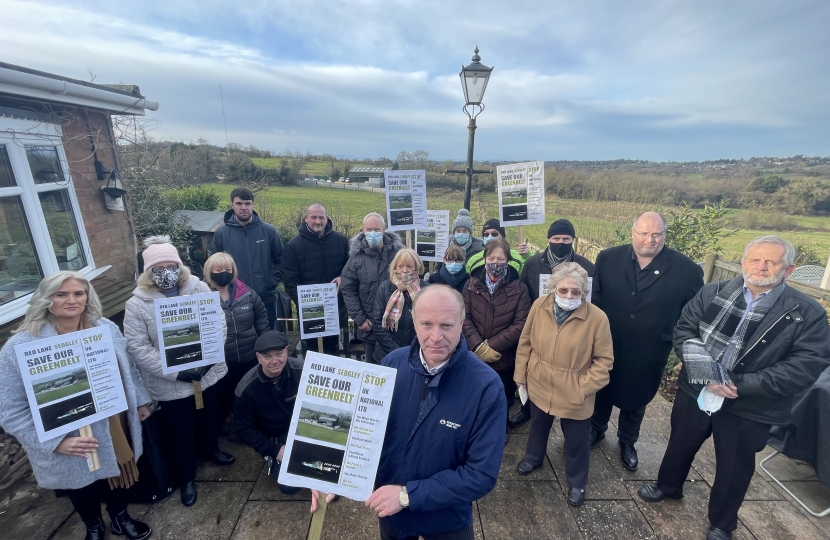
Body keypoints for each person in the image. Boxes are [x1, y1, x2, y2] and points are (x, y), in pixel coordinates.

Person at [638, 236, 830, 540]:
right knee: (680, 442)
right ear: (742, 262)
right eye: (754, 259)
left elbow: (806, 364)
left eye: (772, 261)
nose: (761, 266)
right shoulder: (711, 292)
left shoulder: (806, 312)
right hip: (697, 389)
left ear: (789, 269)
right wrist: (706, 374)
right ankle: (668, 486)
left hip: (752, 403)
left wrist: (739, 384)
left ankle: (722, 522)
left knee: (735, 465)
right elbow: (685, 329)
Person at [311, 285, 507, 539]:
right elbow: (364, 432)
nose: (436, 337)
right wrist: (332, 474)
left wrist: (408, 495)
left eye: (446, 325)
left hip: (446, 519)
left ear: (462, 324)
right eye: (426, 324)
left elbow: (480, 475)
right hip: (393, 516)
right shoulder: (391, 364)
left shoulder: (486, 386)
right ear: (413, 322)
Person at [0, 271, 153, 540]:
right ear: (47, 299)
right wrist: (54, 442)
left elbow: (128, 368)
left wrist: (140, 401)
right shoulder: (19, 347)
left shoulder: (105, 327)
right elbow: (10, 409)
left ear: (87, 297)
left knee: (118, 468)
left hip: (113, 420)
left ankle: (120, 517)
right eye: (62, 294)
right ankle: (92, 524)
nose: (71, 300)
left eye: (78, 293)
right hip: (64, 432)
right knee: (80, 481)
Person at [124, 236, 234, 508]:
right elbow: (138, 347)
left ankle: (211, 450)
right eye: (159, 267)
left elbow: (216, 321)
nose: (167, 272)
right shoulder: (137, 304)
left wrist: (208, 358)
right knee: (180, 430)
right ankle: (187, 477)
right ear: (148, 271)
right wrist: (175, 372)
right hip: (173, 383)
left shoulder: (197, 288)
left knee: (210, 417)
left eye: (171, 265)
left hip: (207, 374)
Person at [590, 212, 703, 472]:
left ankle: (628, 441)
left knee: (638, 397)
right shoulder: (608, 258)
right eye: (644, 233)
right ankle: (595, 430)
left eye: (657, 234)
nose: (650, 239)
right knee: (601, 388)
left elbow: (692, 317)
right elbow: (595, 299)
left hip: (649, 348)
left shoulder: (688, 270)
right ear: (633, 232)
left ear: (664, 234)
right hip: (608, 342)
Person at [513, 263, 614, 507]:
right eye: (563, 290)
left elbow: (604, 361)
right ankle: (533, 457)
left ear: (584, 291)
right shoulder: (539, 306)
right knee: (537, 425)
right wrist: (520, 374)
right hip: (540, 381)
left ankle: (577, 482)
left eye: (576, 292)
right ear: (553, 288)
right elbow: (525, 342)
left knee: (577, 440)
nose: (569, 296)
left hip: (574, 389)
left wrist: (584, 387)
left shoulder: (597, 318)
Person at [510, 218, 597, 427]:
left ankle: (568, 416)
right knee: (536, 372)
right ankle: (527, 409)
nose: (560, 242)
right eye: (556, 238)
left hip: (574, 331)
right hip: (539, 327)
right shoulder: (533, 263)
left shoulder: (586, 267)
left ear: (573, 240)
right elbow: (522, 292)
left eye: (566, 238)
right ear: (548, 239)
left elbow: (593, 300)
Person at [462, 238, 531, 437]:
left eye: (501, 258)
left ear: (508, 260)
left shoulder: (519, 288)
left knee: (502, 397)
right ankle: (475, 432)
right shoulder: (470, 285)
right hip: (474, 355)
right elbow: (464, 318)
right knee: (475, 396)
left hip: (504, 357)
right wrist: (477, 346)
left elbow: (520, 324)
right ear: (484, 259)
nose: (495, 263)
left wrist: (491, 347)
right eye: (491, 258)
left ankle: (500, 431)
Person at [203, 252, 269, 428]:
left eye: (227, 269)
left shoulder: (247, 293)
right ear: (210, 271)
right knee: (223, 397)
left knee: (247, 394)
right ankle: (224, 424)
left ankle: (248, 424)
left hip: (248, 356)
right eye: (218, 269)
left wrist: (265, 345)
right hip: (221, 361)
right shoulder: (201, 298)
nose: (223, 272)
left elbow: (261, 317)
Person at [233, 330, 304, 494]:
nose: (274, 361)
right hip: (274, 436)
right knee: (290, 487)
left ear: (287, 351)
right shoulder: (245, 388)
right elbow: (243, 429)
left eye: (279, 354)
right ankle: (272, 459)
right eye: (267, 357)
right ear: (258, 358)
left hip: (303, 428)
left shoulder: (303, 370)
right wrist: (274, 449)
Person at [210, 187, 284, 331]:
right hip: (235, 299)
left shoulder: (268, 231)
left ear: (253, 205)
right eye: (239, 204)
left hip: (266, 296)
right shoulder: (221, 234)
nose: (243, 207)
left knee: (268, 337)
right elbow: (213, 266)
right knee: (242, 338)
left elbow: (281, 260)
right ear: (232, 205)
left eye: (247, 203)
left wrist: (271, 282)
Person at [282, 203, 350, 353]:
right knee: (312, 352)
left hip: (336, 309)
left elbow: (350, 270)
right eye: (313, 217)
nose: (318, 221)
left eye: (321, 217)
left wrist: (342, 277)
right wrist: (307, 303)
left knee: (333, 350)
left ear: (327, 219)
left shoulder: (341, 241)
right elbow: (290, 282)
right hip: (310, 312)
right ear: (306, 218)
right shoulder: (293, 247)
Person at [341, 212, 404, 363]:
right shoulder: (356, 258)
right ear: (363, 231)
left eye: (376, 229)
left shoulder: (399, 254)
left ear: (384, 230)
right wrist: (360, 319)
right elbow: (348, 289)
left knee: (397, 366)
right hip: (369, 327)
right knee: (372, 369)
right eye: (369, 230)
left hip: (396, 325)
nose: (373, 233)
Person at [371, 249, 428, 364]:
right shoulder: (385, 287)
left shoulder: (427, 289)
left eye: (409, 266)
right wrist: (397, 352)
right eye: (400, 266)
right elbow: (377, 323)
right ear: (394, 268)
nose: (405, 270)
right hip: (386, 355)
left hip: (418, 356)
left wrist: (413, 351)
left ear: (417, 267)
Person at [464, 218, 529, 274]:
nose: (490, 237)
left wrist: (526, 256)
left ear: (502, 236)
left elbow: (531, 272)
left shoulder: (518, 257)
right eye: (486, 234)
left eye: (494, 234)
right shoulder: (473, 260)